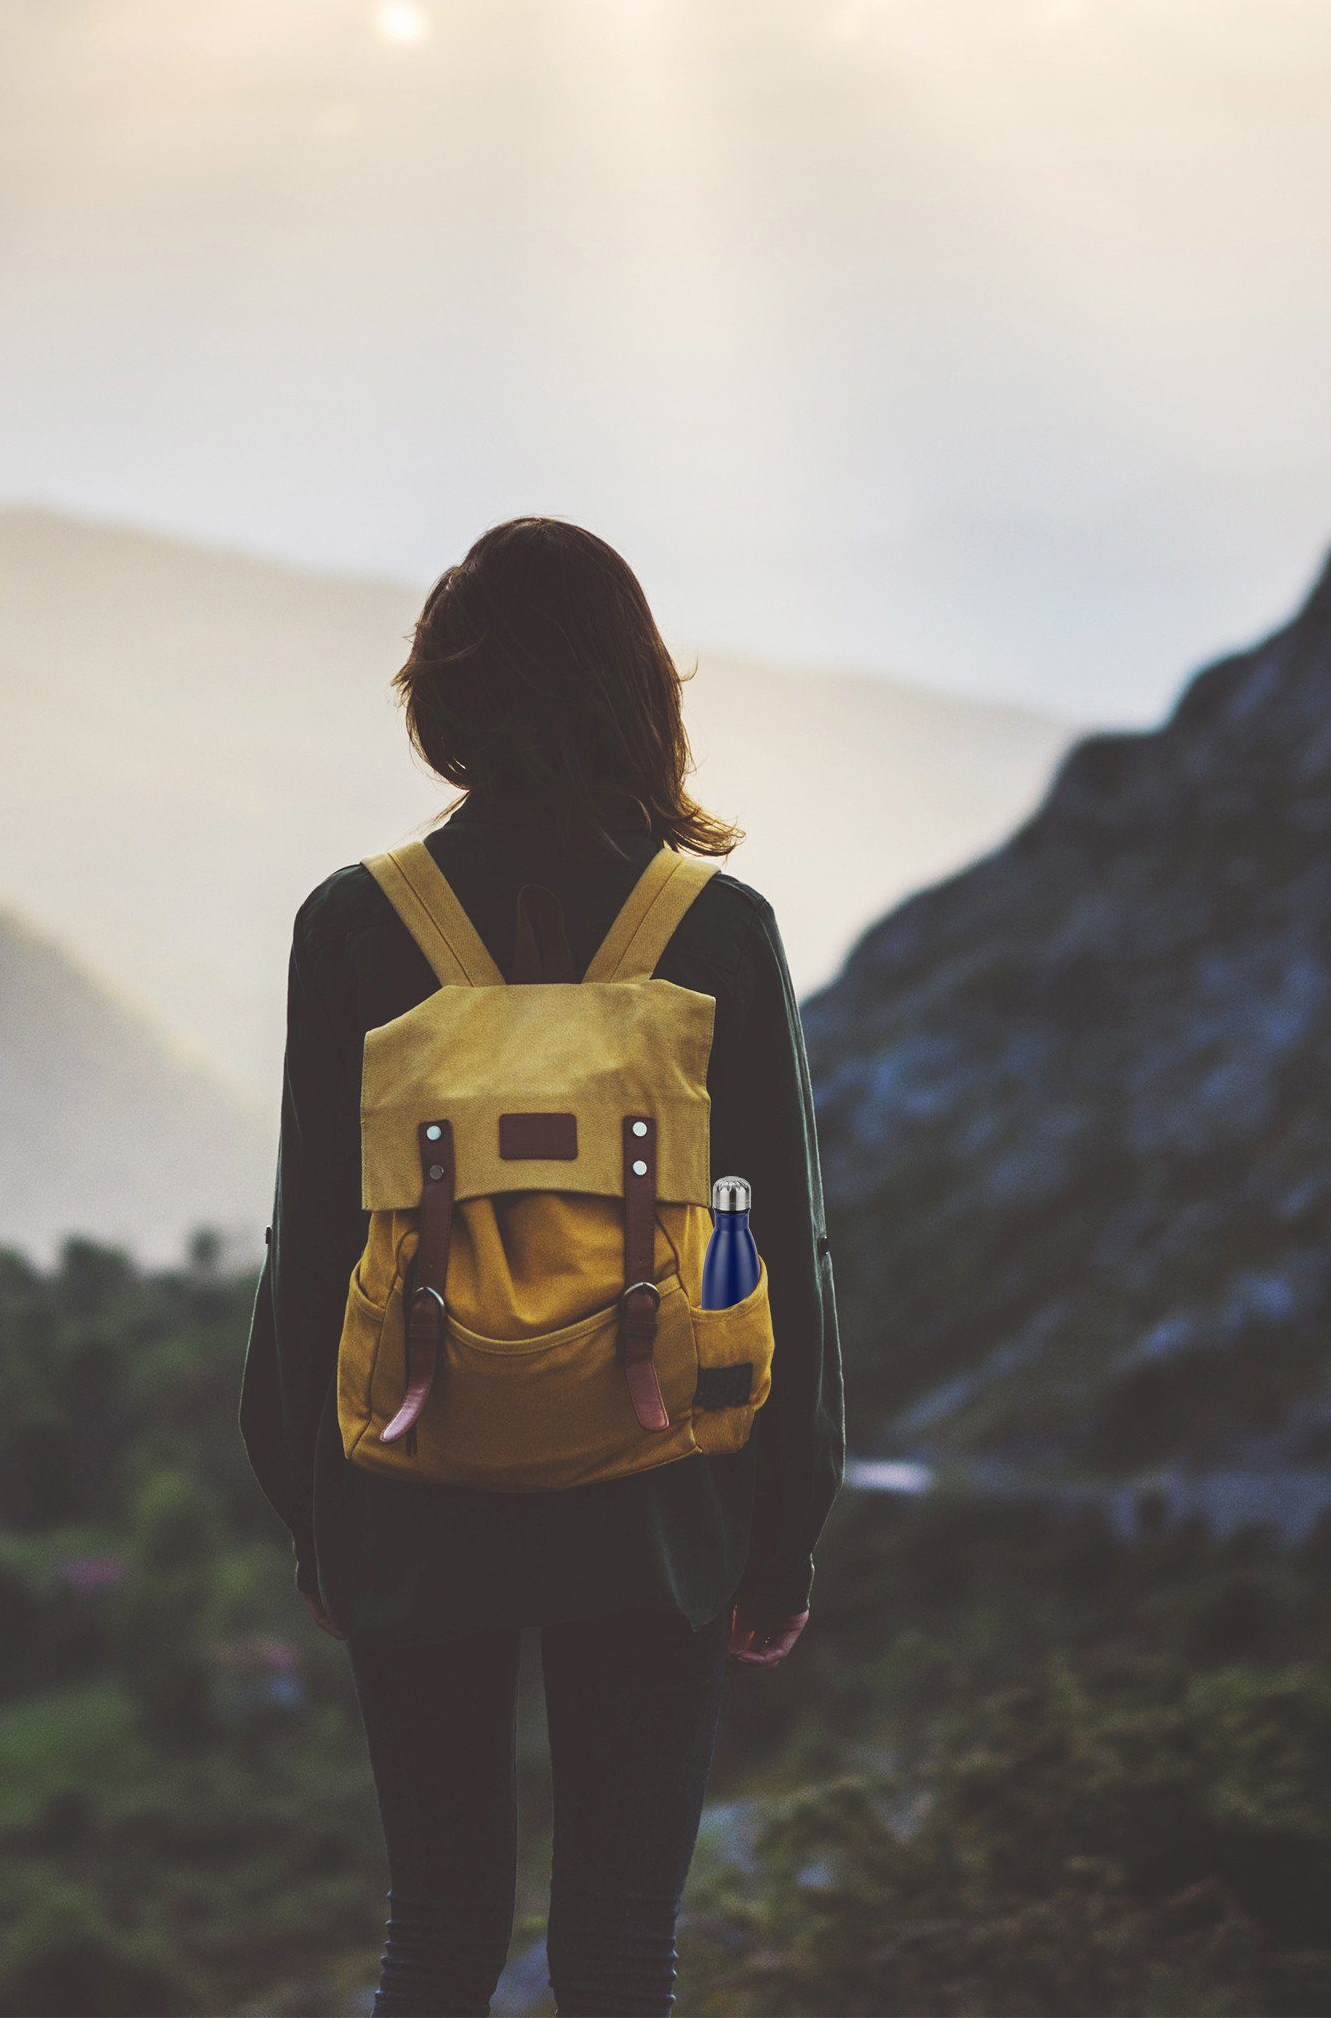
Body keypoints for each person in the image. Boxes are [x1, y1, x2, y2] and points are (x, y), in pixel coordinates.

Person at [240, 516, 846, 2018]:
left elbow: (309, 1241)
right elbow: (783, 1243)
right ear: (639, 689)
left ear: (443, 695)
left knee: (438, 1931)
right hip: (654, 1492)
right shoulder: (718, 931)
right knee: (621, 1950)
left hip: (413, 1472)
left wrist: (315, 1512)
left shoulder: (355, 925)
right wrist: (784, 1530)